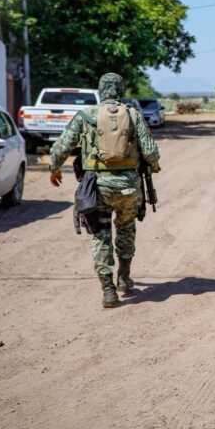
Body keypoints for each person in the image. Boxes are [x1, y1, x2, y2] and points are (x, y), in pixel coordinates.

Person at [48, 73, 161, 309]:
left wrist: (54, 168)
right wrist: (154, 166)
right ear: (120, 90)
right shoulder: (132, 114)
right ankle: (124, 277)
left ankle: (108, 291)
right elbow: (150, 151)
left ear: (101, 91)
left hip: (97, 187)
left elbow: (63, 144)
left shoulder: (86, 115)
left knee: (101, 235)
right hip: (129, 188)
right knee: (126, 228)